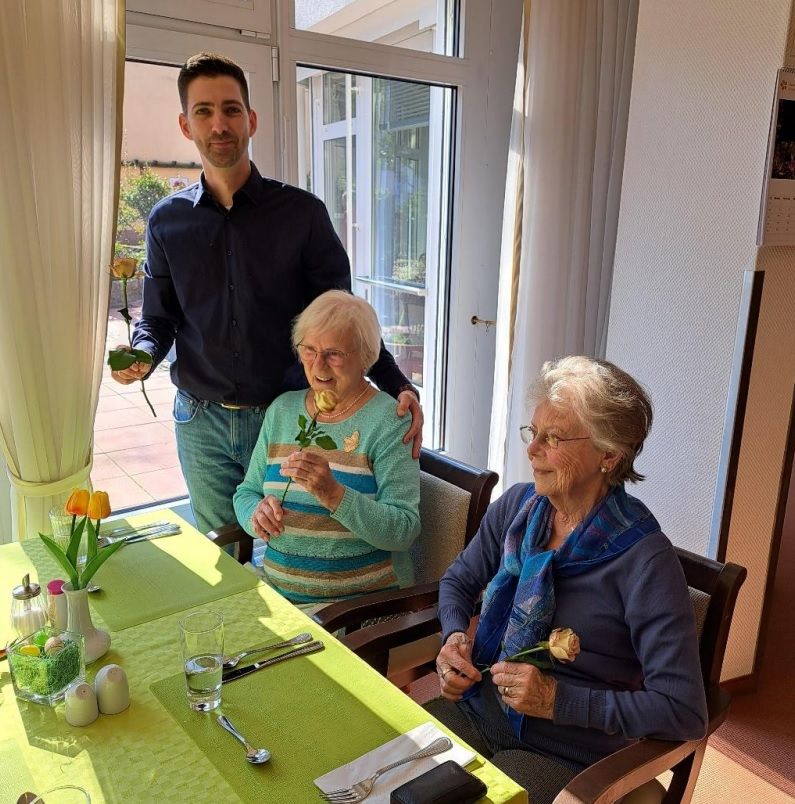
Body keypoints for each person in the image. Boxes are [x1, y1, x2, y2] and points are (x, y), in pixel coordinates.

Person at [110, 52, 422, 534]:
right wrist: (144, 355)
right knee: (221, 548)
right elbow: (159, 319)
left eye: (231, 110)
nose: (219, 124)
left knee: (289, 539)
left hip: (286, 415)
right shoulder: (166, 222)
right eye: (204, 111)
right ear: (185, 124)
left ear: (250, 119)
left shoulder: (303, 215)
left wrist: (397, 383)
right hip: (201, 421)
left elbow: (345, 318)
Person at [431, 356, 707, 802]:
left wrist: (557, 700)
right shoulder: (518, 509)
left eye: (552, 438)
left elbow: (683, 710)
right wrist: (452, 641)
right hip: (477, 709)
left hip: (564, 751)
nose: (532, 449)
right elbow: (458, 582)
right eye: (533, 432)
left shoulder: (644, 561)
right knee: (384, 772)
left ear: (609, 454)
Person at [233, 290, 420, 604]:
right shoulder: (283, 411)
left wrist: (334, 494)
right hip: (280, 599)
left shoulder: (390, 421)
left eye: (334, 353)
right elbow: (246, 493)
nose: (318, 364)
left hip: (354, 611)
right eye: (309, 349)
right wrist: (257, 512)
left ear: (365, 357)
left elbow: (403, 530)